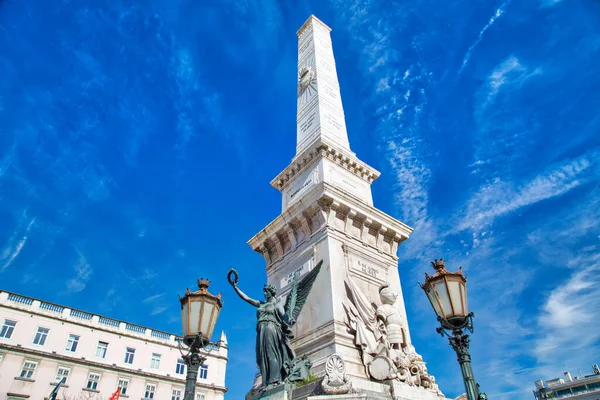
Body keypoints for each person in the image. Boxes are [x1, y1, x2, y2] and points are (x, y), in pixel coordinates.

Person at [231, 281, 296, 388]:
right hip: (261, 331)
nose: (264, 294)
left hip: (271, 328)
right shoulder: (261, 304)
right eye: (264, 292)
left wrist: (289, 320)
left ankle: (274, 380)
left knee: (271, 353)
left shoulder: (277, 305)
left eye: (266, 292)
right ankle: (267, 380)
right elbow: (247, 298)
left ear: (271, 292)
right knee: (261, 356)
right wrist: (235, 287)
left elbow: (284, 317)